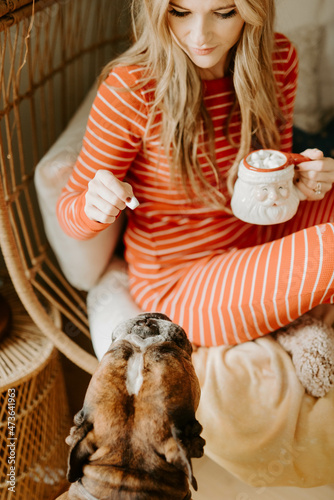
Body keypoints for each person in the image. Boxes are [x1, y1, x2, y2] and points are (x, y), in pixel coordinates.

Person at [57, 0, 334, 347]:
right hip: (182, 280)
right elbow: (69, 211)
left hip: (263, 230)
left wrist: (303, 175)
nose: (199, 35)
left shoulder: (279, 59)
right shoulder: (131, 89)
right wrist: (92, 206)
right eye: (180, 12)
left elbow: (271, 163)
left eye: (223, 13)